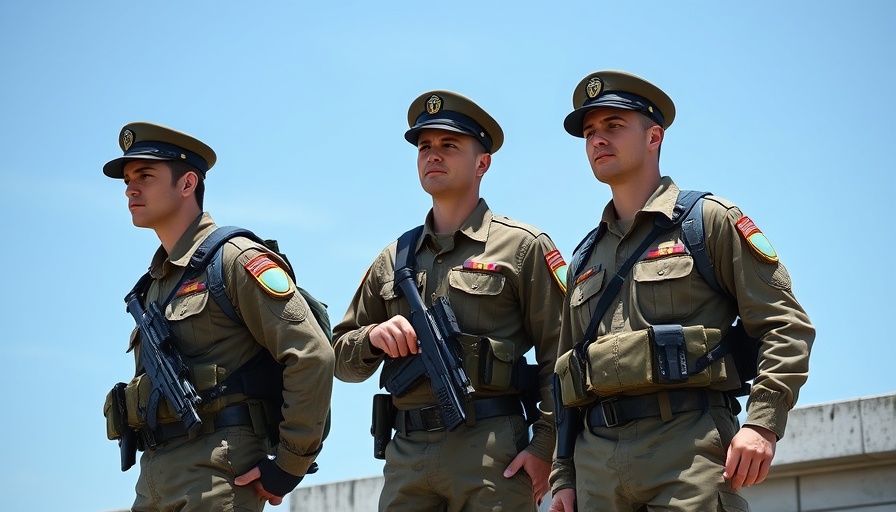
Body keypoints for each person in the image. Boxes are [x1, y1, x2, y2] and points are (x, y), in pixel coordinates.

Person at [549, 71, 815, 511]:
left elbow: (785, 326)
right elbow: (567, 375)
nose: (597, 140)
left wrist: (763, 423)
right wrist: (564, 475)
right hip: (596, 466)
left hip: (688, 451)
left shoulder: (707, 222)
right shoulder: (583, 259)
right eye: (590, 132)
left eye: (614, 125)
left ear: (654, 136)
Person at [333, 91, 567, 511]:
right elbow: (340, 358)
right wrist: (373, 337)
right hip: (406, 457)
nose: (433, 155)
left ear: (483, 163)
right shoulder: (393, 259)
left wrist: (546, 447)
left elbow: (561, 353)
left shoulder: (522, 246)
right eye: (425, 147)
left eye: (449, 145)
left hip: (491, 451)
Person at [101, 122, 334, 511]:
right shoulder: (155, 285)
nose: (130, 188)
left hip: (218, 472)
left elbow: (312, 355)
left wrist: (290, 465)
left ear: (187, 183)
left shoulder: (234, 259)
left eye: (145, 175)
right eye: (127, 179)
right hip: (155, 477)